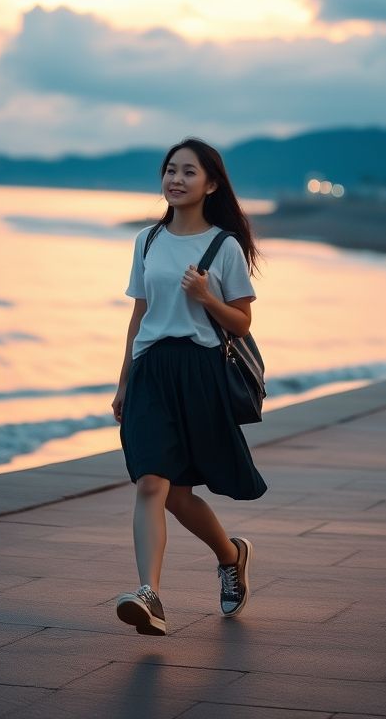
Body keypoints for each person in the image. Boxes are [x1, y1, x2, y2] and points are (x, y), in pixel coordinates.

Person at [111, 137, 267, 636]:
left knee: (178, 494)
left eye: (188, 172)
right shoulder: (147, 241)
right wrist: (123, 382)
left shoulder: (224, 247)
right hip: (152, 370)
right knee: (152, 482)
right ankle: (149, 594)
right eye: (169, 170)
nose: (175, 180)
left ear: (211, 183)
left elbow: (241, 323)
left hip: (201, 373)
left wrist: (205, 296)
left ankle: (230, 555)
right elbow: (139, 315)